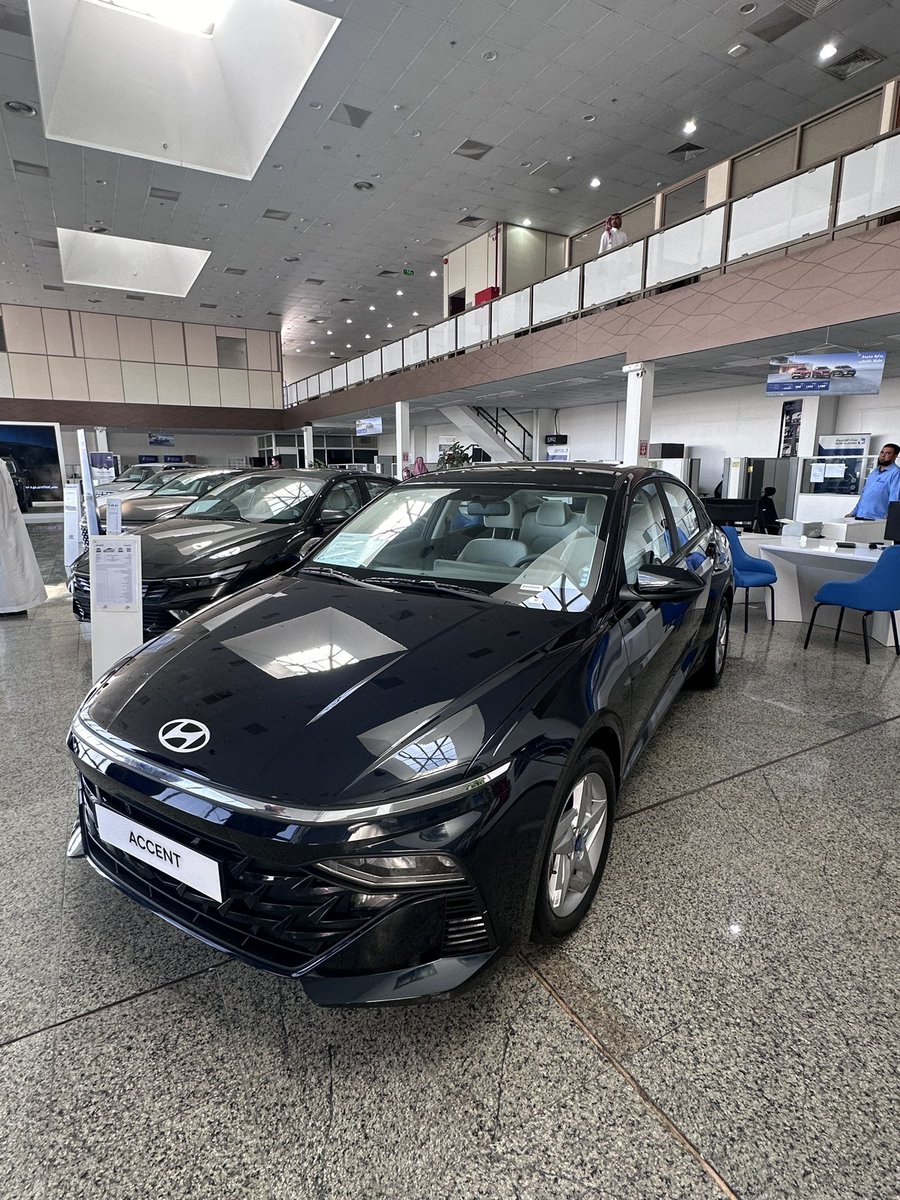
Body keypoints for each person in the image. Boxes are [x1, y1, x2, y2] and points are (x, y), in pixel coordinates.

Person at [0, 461, 47, 617]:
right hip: (8, 525)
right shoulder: (2, 466)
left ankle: (13, 603)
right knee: (13, 559)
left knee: (9, 560)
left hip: (5, 526)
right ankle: (16, 601)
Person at [846, 443, 900, 519]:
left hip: (878, 519)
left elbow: (894, 499)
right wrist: (853, 512)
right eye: (882, 452)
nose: (883, 455)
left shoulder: (896, 473)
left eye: (887, 453)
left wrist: (891, 519)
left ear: (895, 456)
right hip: (860, 516)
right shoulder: (874, 472)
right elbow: (864, 496)